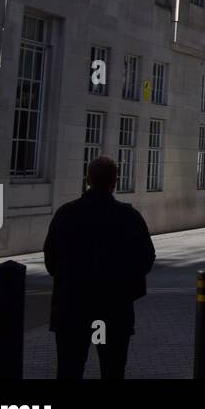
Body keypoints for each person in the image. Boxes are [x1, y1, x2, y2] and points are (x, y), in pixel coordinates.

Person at [44, 156, 156, 379]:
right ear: (114, 182)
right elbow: (146, 258)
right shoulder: (128, 216)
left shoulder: (66, 214)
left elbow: (51, 257)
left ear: (88, 179)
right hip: (113, 309)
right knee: (113, 370)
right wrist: (127, 288)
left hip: (72, 308)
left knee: (69, 370)